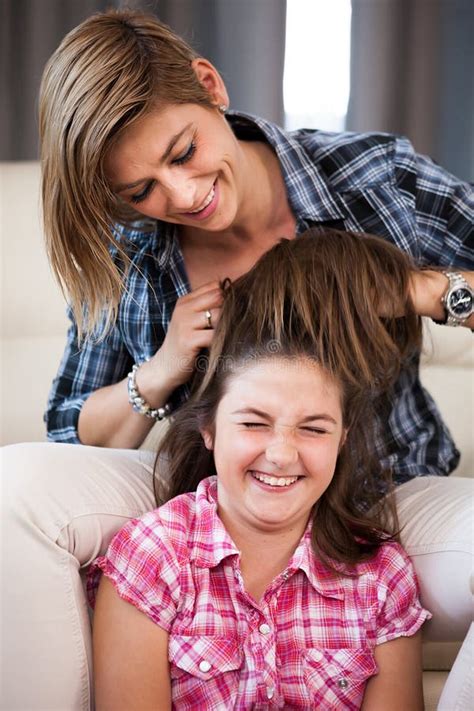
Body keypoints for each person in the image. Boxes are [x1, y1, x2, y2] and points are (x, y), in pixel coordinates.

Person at [1, 8, 472, 711]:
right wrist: (158, 369)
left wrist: (424, 289)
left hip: (384, 496)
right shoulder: (127, 252)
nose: (182, 196)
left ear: (209, 85)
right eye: (141, 191)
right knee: (14, 484)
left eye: (183, 151)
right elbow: (71, 429)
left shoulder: (374, 178)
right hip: (204, 488)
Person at [90, 230, 431, 710]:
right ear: (208, 428)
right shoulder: (152, 556)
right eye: (254, 423)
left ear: (343, 438)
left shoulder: (381, 573)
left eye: (314, 429)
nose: (282, 454)